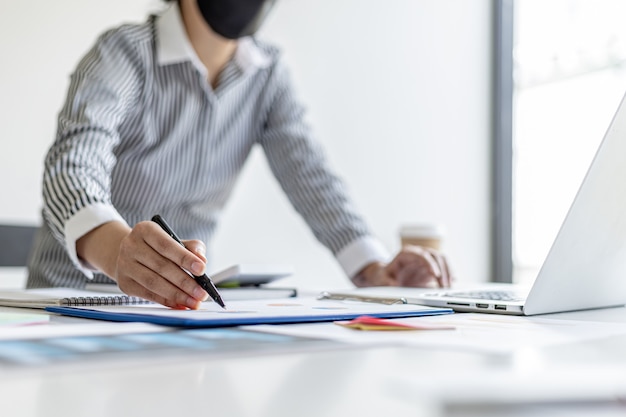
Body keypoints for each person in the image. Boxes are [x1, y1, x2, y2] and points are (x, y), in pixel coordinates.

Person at [27, 0, 452, 309]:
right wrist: (118, 250)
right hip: (72, 302)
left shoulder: (267, 73)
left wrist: (374, 269)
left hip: (176, 307)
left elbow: (312, 177)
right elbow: (72, 163)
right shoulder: (123, 54)